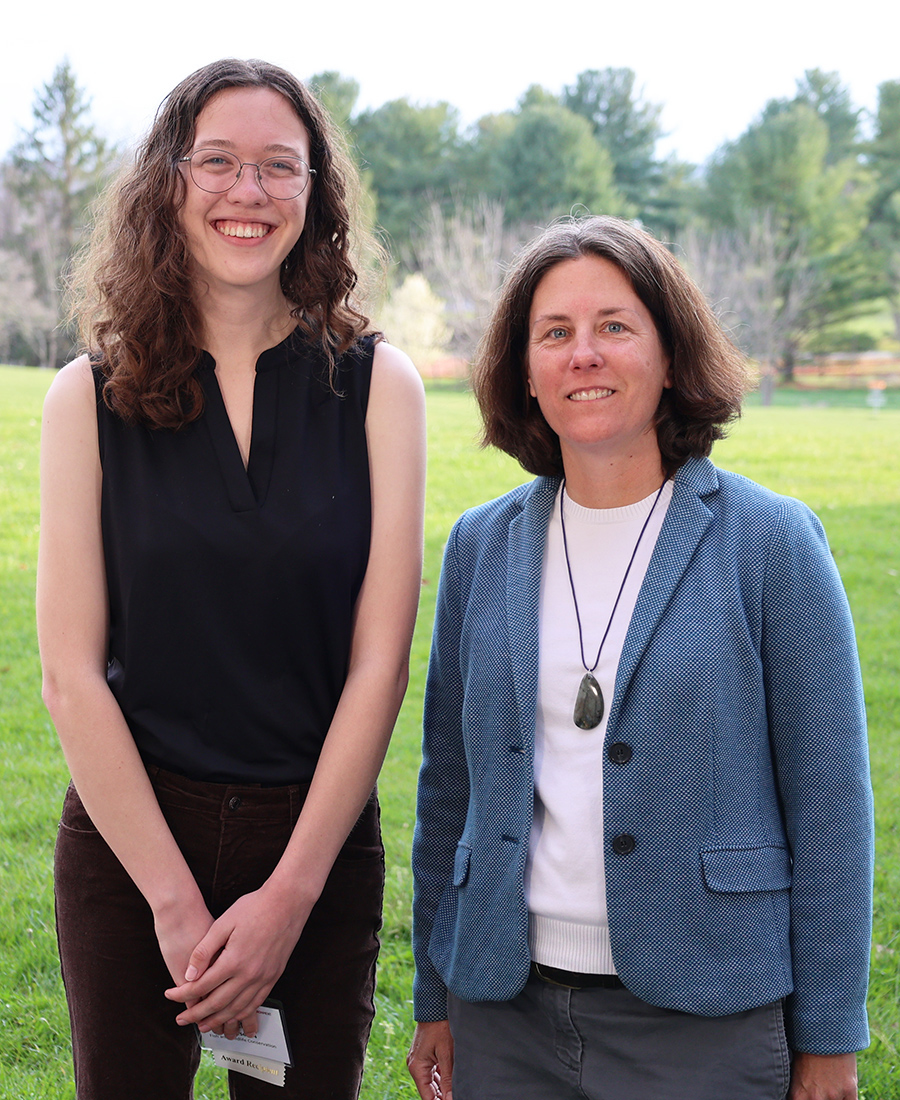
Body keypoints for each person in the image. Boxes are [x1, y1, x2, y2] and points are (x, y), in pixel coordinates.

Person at [407, 216, 872, 1100]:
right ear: (527, 373)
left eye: (614, 327)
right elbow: (449, 789)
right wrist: (437, 993)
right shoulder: (481, 545)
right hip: (505, 1014)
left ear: (669, 355)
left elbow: (832, 806)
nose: (584, 354)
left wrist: (830, 1039)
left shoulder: (771, 542)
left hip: (704, 1015)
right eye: (555, 334)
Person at [37, 58, 425, 1100]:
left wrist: (291, 893)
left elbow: (380, 666)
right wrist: (171, 899)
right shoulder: (88, 396)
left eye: (278, 167)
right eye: (219, 161)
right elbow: (69, 674)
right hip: (131, 845)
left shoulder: (380, 387)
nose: (247, 192)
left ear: (316, 193)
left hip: (315, 842)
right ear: (171, 179)